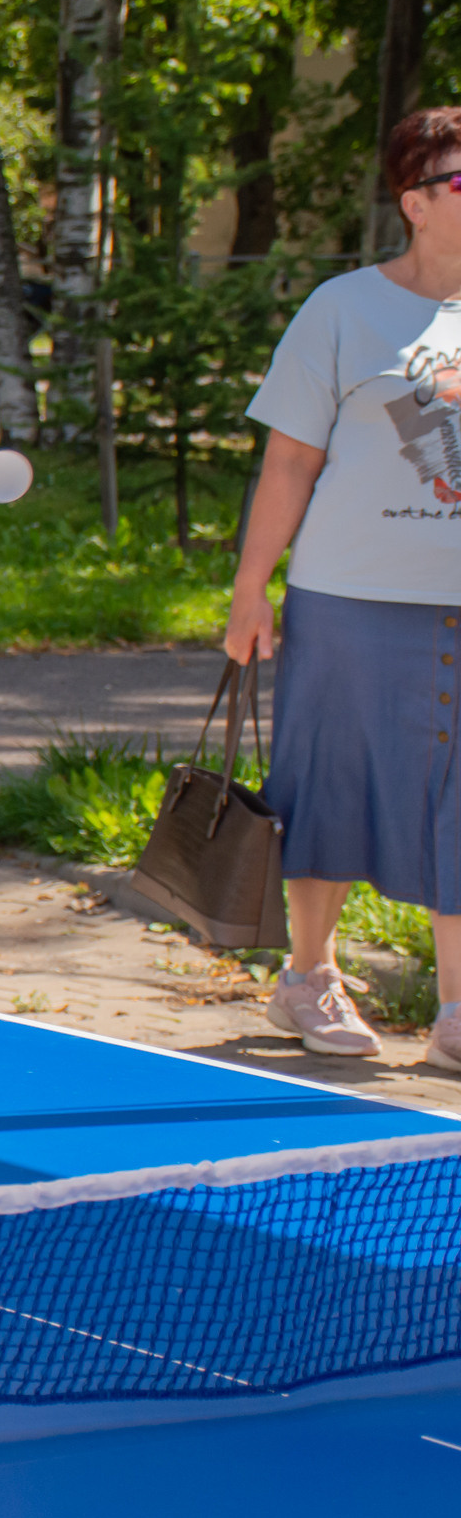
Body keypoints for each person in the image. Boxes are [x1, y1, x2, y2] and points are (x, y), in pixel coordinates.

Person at [231, 105, 461, 1068]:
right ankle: (308, 978)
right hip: (348, 599)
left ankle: (457, 1012)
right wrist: (252, 588)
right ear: (415, 201)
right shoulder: (342, 308)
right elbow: (288, 462)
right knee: (330, 783)